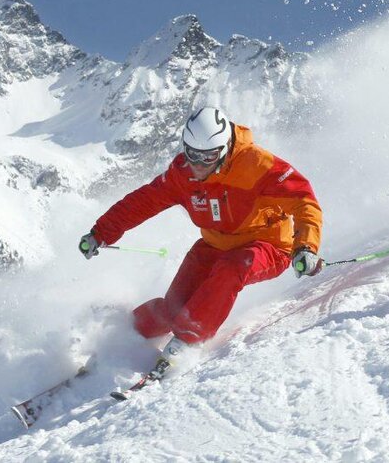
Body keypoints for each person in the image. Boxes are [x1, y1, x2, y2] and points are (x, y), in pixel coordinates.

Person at [78, 107, 324, 379]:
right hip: (214, 245)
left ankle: (188, 340)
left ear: (224, 148)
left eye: (207, 157)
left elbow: (305, 202)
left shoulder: (258, 166)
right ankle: (121, 335)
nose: (198, 164)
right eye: (192, 154)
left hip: (268, 246)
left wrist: (306, 247)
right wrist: (101, 232)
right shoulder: (184, 174)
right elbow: (143, 202)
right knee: (173, 310)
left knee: (233, 268)